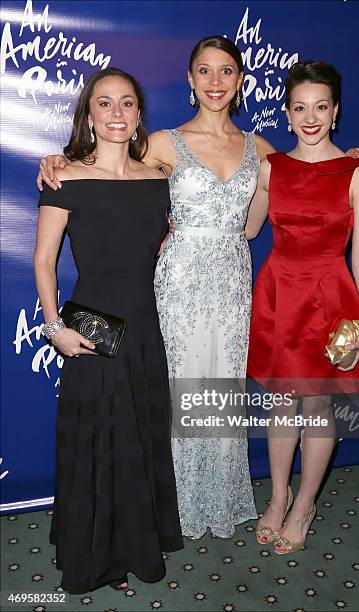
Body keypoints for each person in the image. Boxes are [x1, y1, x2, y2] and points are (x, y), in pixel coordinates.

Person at [36, 38, 359, 540]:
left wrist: (357, 155)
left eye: (226, 72)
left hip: (235, 284)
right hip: (177, 282)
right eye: (204, 71)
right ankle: (165, 504)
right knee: (172, 392)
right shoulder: (160, 143)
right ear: (190, 80)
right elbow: (105, 163)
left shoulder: (262, 152)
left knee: (221, 394)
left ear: (241, 82)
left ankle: (220, 497)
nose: (215, 81)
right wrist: (58, 161)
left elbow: (277, 206)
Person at [34, 67, 183, 593]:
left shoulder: (161, 177)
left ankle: (134, 545)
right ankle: (96, 556)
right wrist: (54, 327)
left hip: (144, 325)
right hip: (92, 326)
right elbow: (45, 261)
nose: (116, 113)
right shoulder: (63, 177)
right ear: (89, 115)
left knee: (136, 439)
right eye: (104, 103)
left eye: (127, 103)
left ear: (139, 114)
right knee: (99, 441)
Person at [246, 61, 359, 554]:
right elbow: (247, 229)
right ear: (285, 113)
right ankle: (278, 499)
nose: (310, 116)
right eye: (300, 107)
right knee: (283, 403)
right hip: (280, 292)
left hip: (330, 297)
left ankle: (304, 506)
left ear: (335, 112)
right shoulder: (270, 167)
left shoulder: (358, 172)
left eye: (320, 107)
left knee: (318, 406)